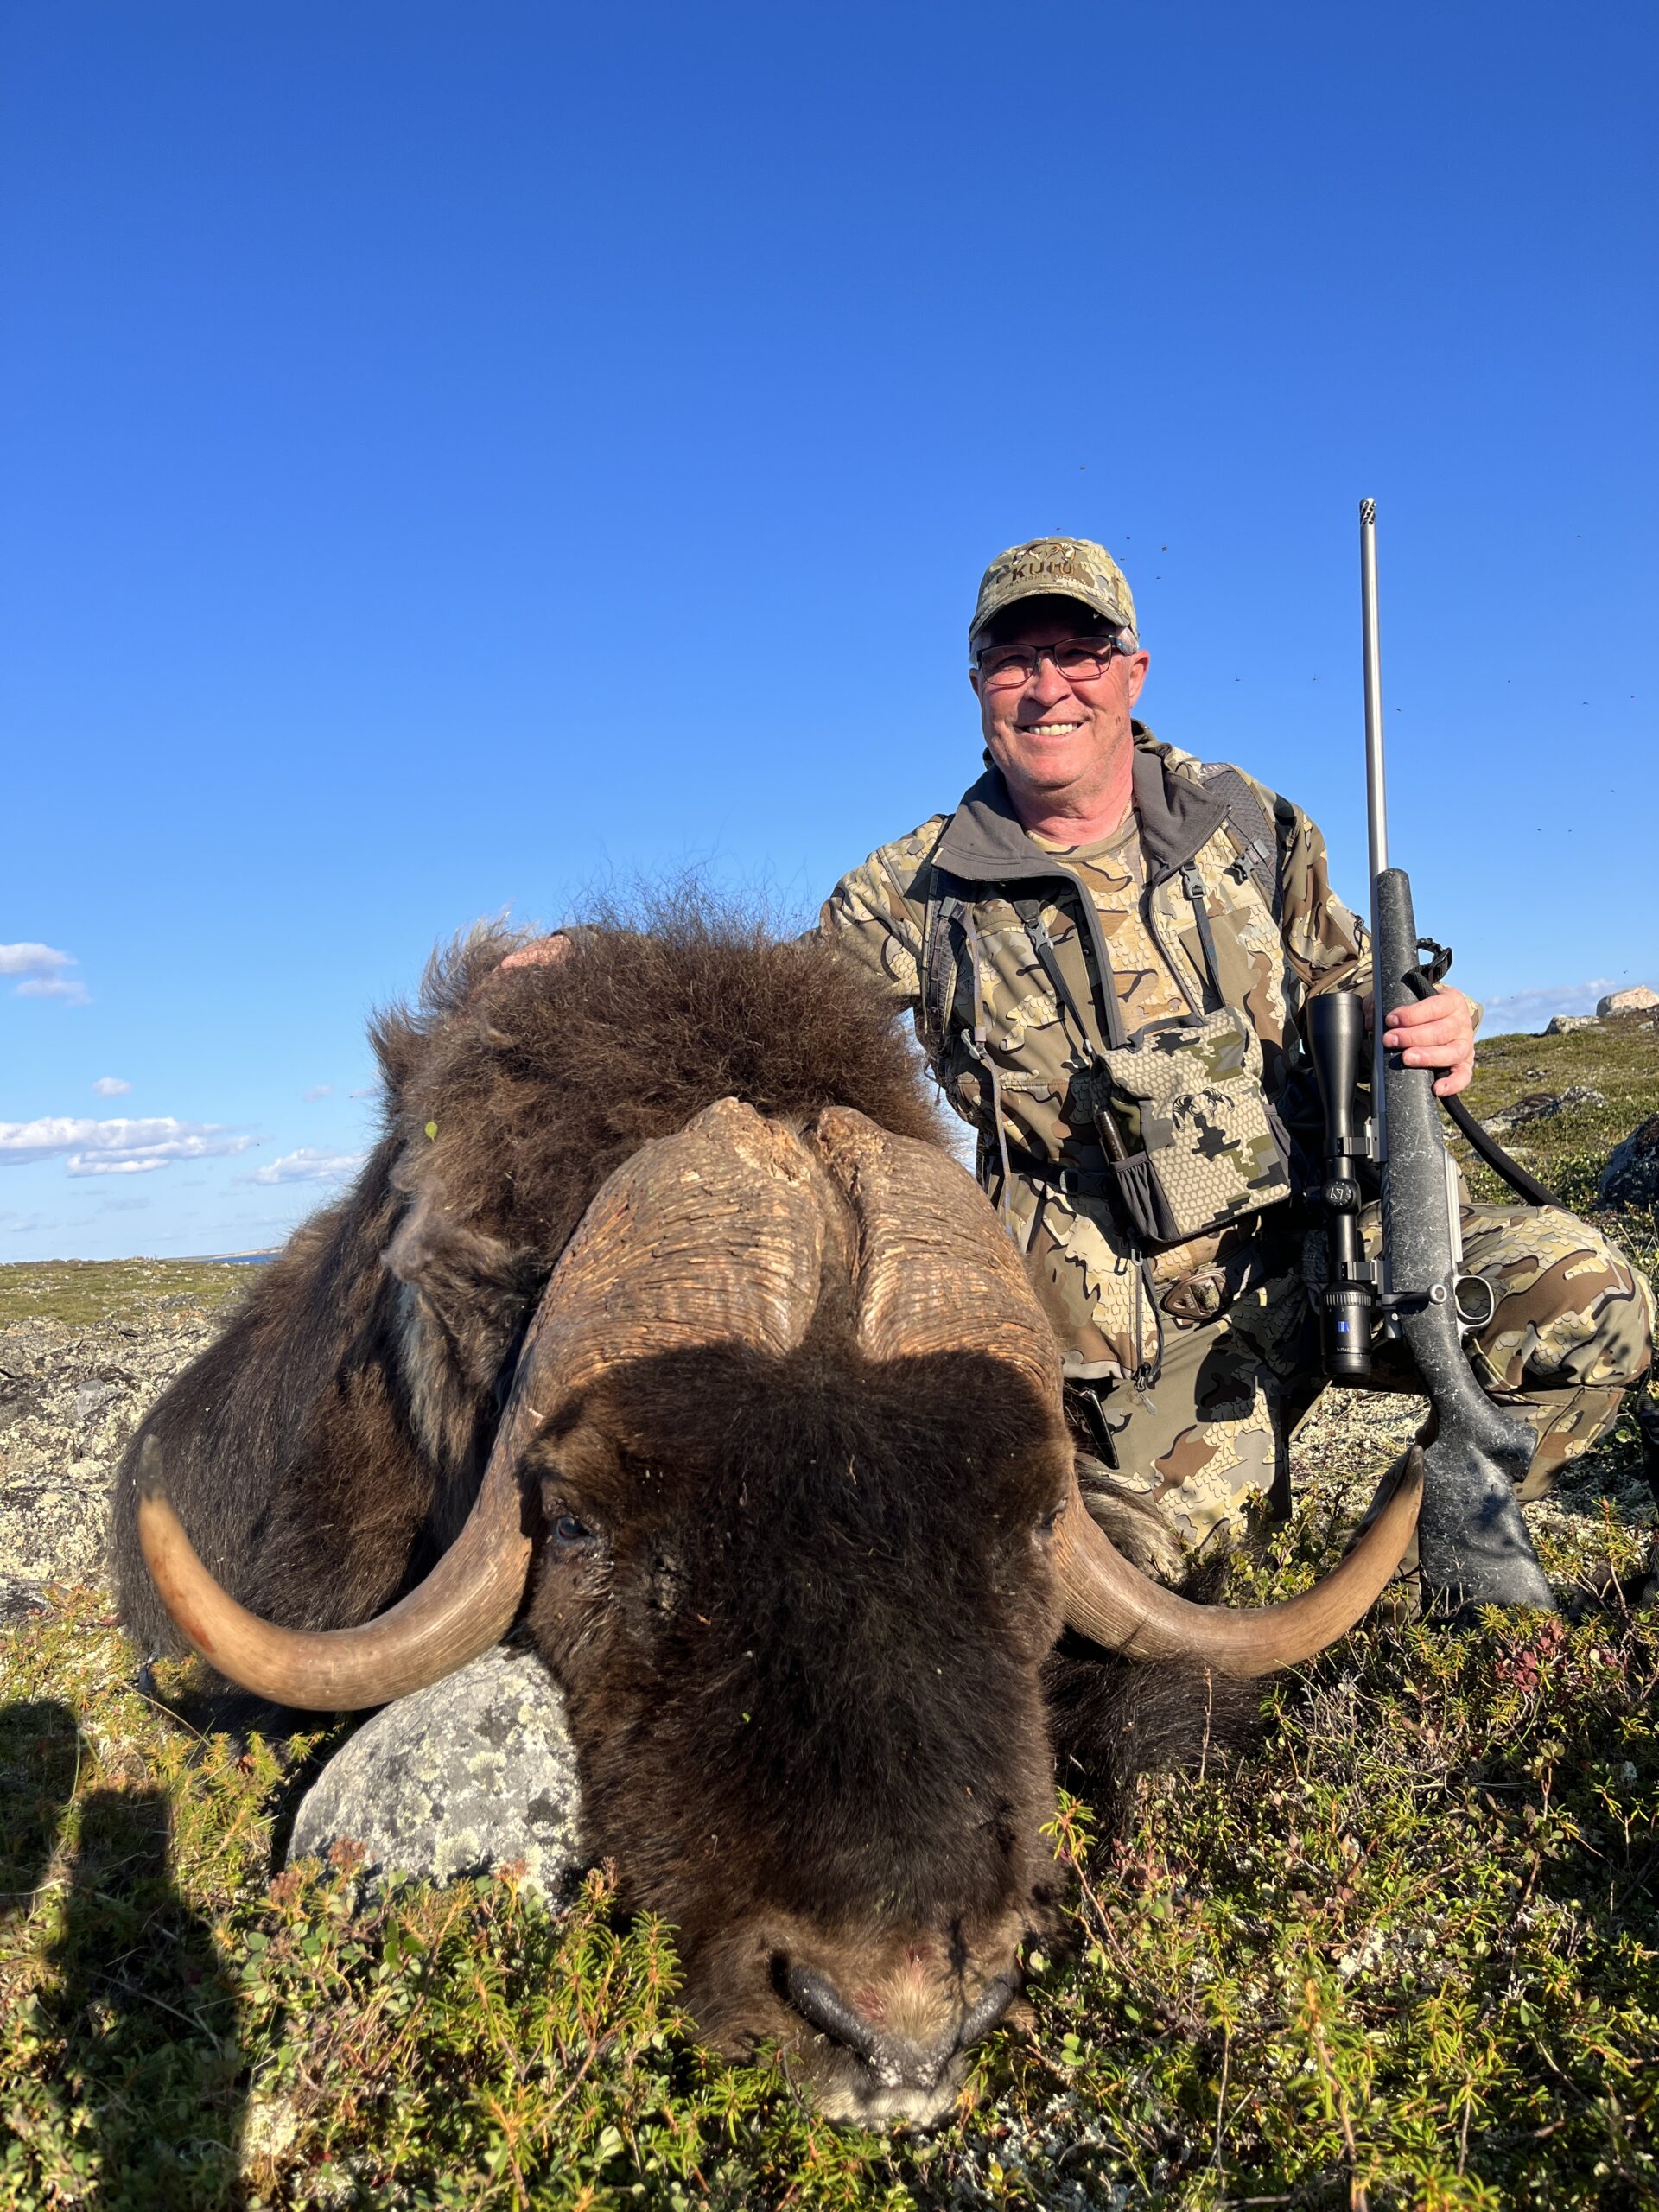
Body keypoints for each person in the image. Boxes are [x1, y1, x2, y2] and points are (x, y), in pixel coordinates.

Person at [815, 536, 1654, 1570]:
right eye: (1012, 659)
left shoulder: (1245, 819)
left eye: (1078, 652)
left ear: (1133, 671)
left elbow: (1357, 987)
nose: (1046, 687)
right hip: (1125, 1350)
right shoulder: (910, 892)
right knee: (1154, 1598)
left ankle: (1424, 1554)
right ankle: (1262, 1557)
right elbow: (762, 1031)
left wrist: (1435, 1022)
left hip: (1331, 1248)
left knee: (1592, 1302)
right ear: (977, 685)